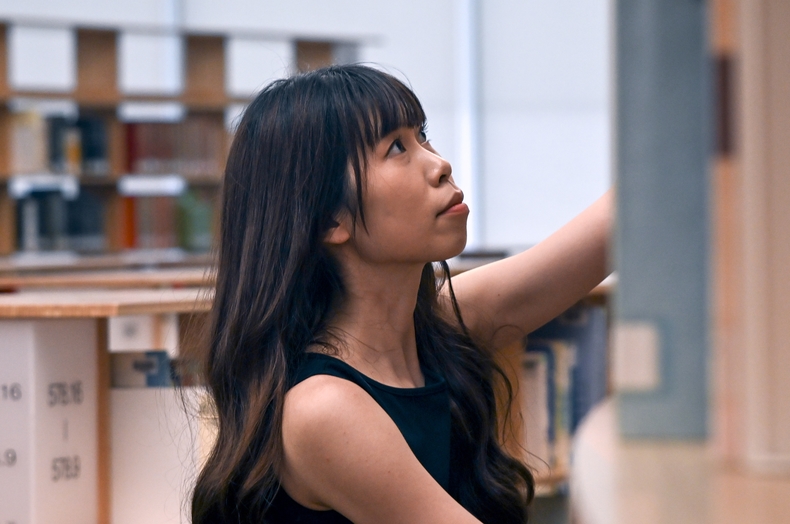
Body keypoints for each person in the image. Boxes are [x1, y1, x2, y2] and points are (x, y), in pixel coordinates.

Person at [191, 64, 612, 524]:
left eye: (422, 135)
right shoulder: (323, 409)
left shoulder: (433, 330)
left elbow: (611, 230)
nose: (439, 164)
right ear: (331, 219)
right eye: (396, 148)